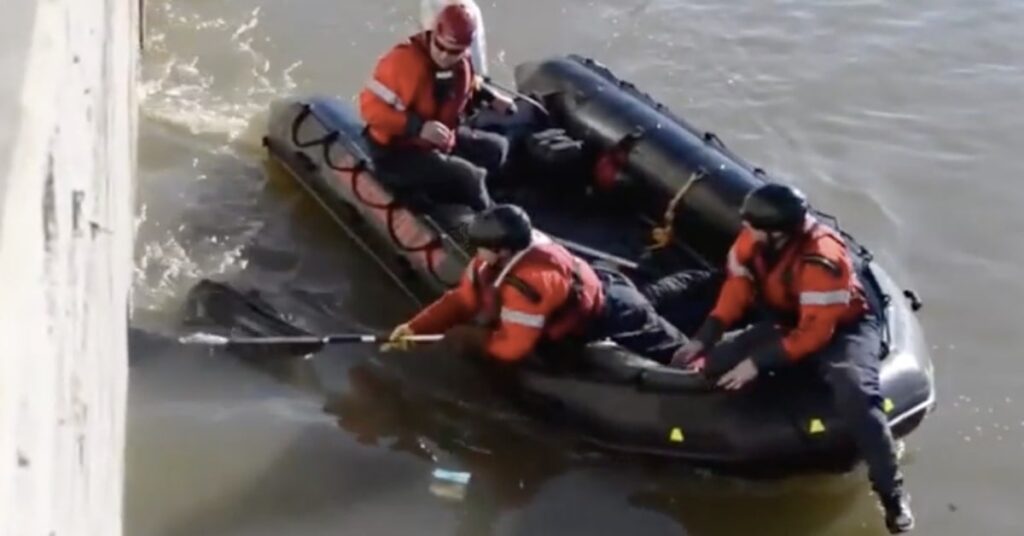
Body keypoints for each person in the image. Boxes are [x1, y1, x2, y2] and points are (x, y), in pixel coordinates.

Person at [669, 183, 915, 534]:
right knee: (716, 364)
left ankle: (892, 493)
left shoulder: (822, 259)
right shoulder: (753, 242)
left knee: (855, 390)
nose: (746, 230)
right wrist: (705, 338)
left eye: (753, 226)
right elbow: (736, 290)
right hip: (789, 320)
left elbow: (816, 334)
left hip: (842, 329)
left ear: (777, 233)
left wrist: (758, 363)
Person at [383, 204, 689, 364]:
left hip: (614, 313)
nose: (476, 252)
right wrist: (416, 327)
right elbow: (463, 300)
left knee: (676, 351)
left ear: (503, 250)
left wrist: (470, 338)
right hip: (598, 282)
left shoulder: (530, 285)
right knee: (653, 297)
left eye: (482, 246)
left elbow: (513, 348)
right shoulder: (495, 260)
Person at [358, 3, 516, 212]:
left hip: (438, 140)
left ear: (465, 49)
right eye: (440, 46)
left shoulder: (462, 64)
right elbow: (369, 108)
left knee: (497, 149)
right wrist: (418, 127)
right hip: (396, 153)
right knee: (469, 177)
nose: (444, 56)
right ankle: (487, 228)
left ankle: (452, 193)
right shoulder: (401, 62)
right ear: (432, 35)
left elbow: (466, 88)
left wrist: (489, 97)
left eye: (453, 51)